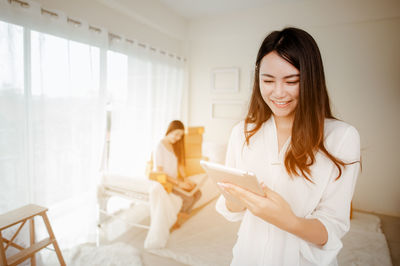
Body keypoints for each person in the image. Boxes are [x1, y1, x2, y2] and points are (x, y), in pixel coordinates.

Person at [216, 27, 360, 266]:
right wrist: (233, 196)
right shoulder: (242, 132)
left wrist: (289, 221)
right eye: (268, 80)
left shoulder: (341, 137)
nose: (278, 93)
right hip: (247, 257)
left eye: (292, 81)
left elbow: (333, 228)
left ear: (311, 80)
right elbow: (233, 212)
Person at [153, 120, 201, 214]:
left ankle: (185, 213)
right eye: (176, 134)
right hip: (165, 182)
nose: (178, 138)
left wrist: (185, 179)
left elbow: (180, 165)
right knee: (189, 199)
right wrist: (179, 184)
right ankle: (180, 215)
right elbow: (160, 174)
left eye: (180, 136)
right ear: (170, 130)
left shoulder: (174, 145)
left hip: (175, 180)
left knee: (198, 193)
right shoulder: (159, 147)